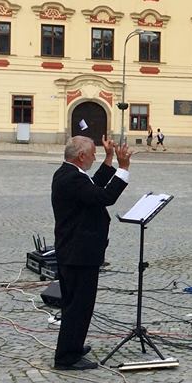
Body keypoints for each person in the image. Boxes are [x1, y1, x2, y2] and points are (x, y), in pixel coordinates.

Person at [51, 135, 131, 370]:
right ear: (81, 156)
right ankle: (66, 357)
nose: (95, 158)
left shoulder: (68, 173)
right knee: (79, 306)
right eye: (93, 154)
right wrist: (123, 168)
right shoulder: (72, 179)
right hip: (79, 253)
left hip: (75, 250)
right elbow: (104, 197)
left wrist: (109, 158)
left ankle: (72, 346)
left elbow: (93, 187)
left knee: (75, 304)